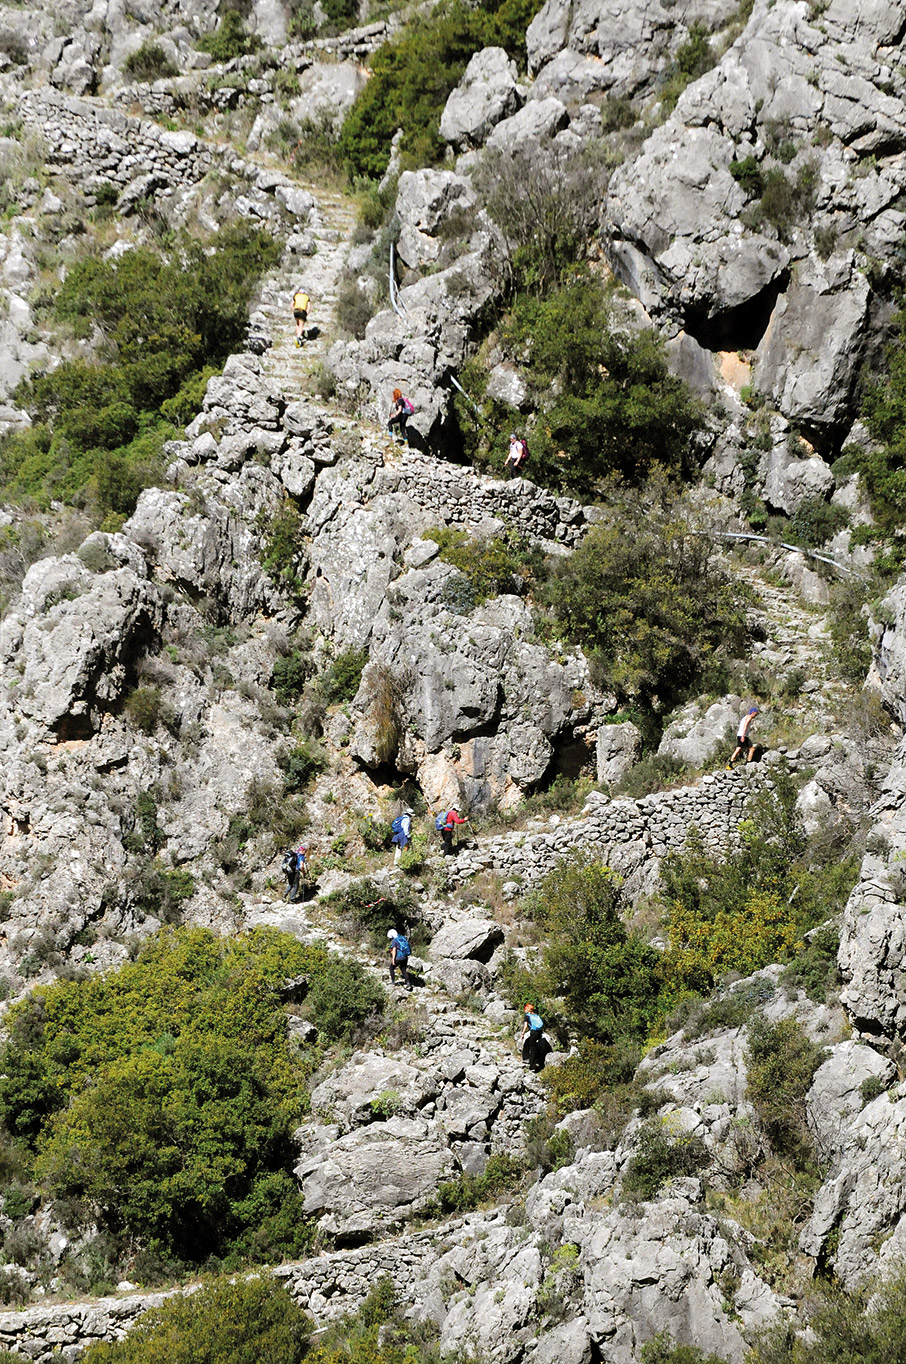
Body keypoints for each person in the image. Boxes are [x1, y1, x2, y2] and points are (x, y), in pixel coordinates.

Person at [520, 1003, 545, 1072]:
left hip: (534, 1032)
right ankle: (526, 1058)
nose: (524, 1010)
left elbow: (525, 1026)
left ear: (527, 1010)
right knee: (527, 1042)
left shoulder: (527, 1016)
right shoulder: (536, 1015)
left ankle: (532, 1067)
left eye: (525, 1009)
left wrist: (522, 1034)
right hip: (539, 1032)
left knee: (533, 1048)